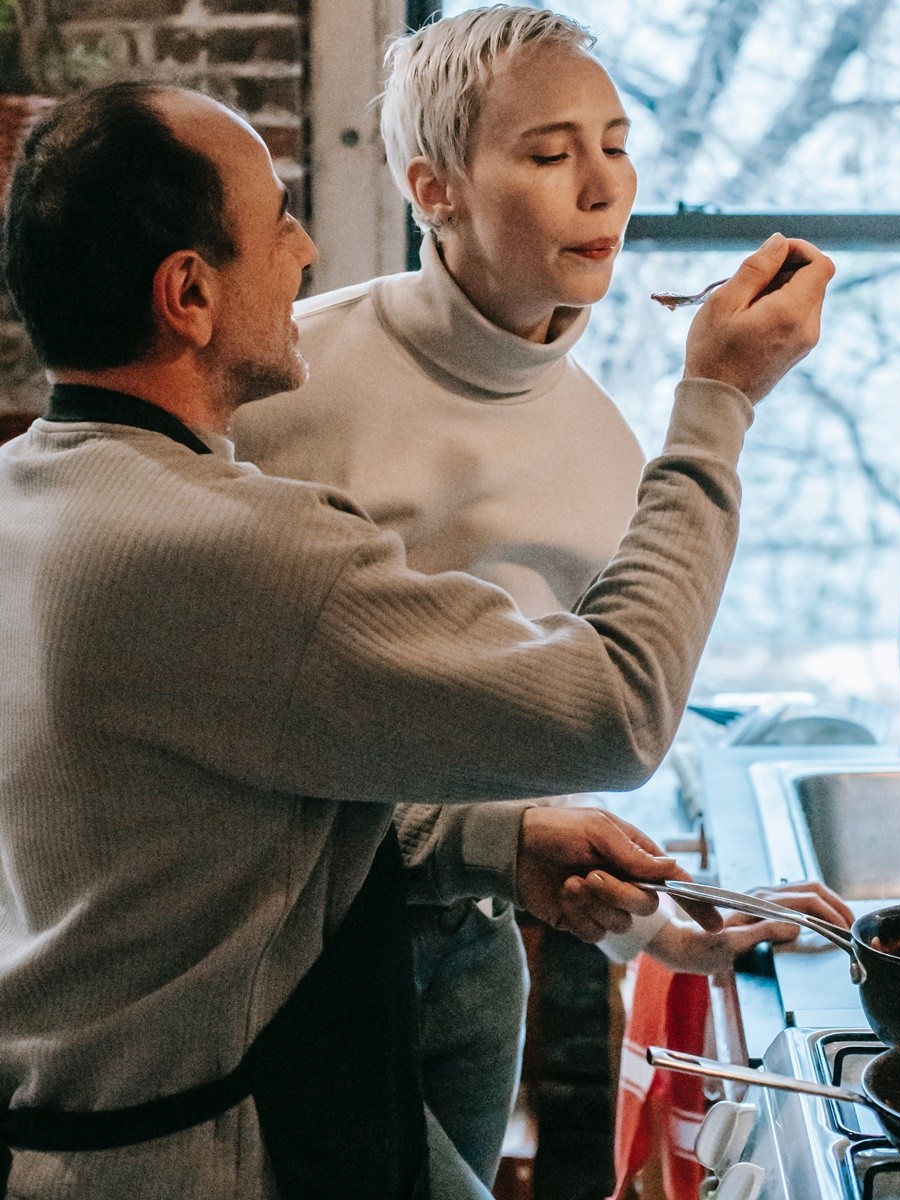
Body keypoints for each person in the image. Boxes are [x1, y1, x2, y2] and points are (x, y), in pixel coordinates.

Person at [0, 76, 833, 1200]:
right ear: (189, 294)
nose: (305, 250)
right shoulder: (236, 549)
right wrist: (720, 399)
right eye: (278, 218)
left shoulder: (26, 495)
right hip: (227, 1156)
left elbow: (204, 831)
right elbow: (616, 708)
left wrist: (495, 843)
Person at [233, 6, 852, 1194]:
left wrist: (668, 925)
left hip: (472, 959)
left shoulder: (609, 447)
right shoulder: (286, 384)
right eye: (549, 151)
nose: (601, 184)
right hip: (283, 960)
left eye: (615, 142)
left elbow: (560, 755)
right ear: (435, 187)